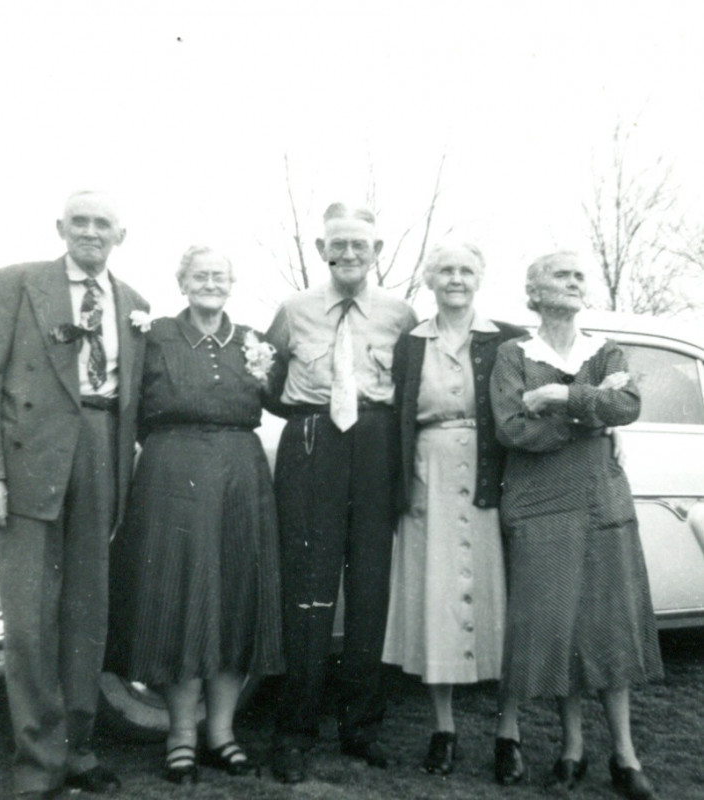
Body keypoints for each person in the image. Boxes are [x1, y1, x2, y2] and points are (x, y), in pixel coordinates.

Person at [0, 191, 149, 799]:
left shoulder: (134, 304)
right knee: (31, 620)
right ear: (60, 227)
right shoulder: (16, 283)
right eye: (80, 221)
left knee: (88, 614)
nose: (91, 231)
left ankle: (79, 750)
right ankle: (39, 764)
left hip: (101, 455)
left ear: (121, 235)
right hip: (28, 464)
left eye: (103, 223)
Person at [106, 246, 284, 785]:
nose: (210, 283)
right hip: (171, 472)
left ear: (232, 283)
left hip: (240, 474)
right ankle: (181, 734)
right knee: (180, 600)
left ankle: (222, 732)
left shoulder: (253, 340)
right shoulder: (155, 334)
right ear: (181, 282)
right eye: (199, 275)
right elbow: (126, 404)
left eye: (219, 275)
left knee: (233, 600)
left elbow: (283, 396)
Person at [489, 251, 663, 799]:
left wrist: (560, 396)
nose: (572, 282)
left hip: (601, 502)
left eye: (578, 276)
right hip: (539, 505)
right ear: (534, 292)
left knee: (609, 627)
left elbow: (626, 405)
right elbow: (512, 427)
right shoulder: (513, 354)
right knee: (560, 627)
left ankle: (625, 755)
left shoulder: (605, 350)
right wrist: (588, 417)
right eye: (560, 275)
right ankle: (572, 747)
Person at [265, 203, 417, 783]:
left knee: (370, 587)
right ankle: (295, 730)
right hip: (312, 442)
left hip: (376, 443)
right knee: (308, 587)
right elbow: (268, 383)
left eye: (360, 244)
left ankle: (361, 726)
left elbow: (413, 387)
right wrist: (309, 419)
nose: (349, 253)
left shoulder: (400, 315)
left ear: (376, 250)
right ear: (321, 248)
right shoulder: (293, 310)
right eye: (339, 244)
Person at [382, 239, 525, 777]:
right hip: (429, 476)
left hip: (493, 477)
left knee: (502, 600)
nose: (456, 279)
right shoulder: (410, 344)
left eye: (466, 270)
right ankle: (443, 729)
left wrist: (605, 428)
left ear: (480, 277)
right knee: (436, 599)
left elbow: (552, 393)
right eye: (446, 270)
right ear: (430, 280)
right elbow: (393, 413)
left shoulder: (508, 339)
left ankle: (509, 733)